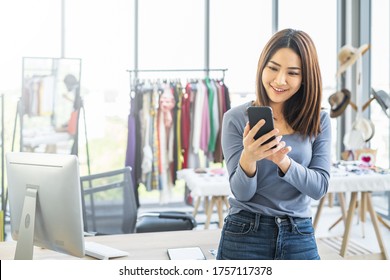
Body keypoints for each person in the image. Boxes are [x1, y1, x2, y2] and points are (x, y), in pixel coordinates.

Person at [216, 28, 331, 260]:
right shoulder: (236, 119)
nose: (280, 80)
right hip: (245, 230)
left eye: (293, 72)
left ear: (306, 77)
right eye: (273, 68)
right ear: (262, 67)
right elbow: (242, 193)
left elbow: (319, 188)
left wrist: (283, 161)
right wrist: (249, 157)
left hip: (298, 232)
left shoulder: (319, 120)